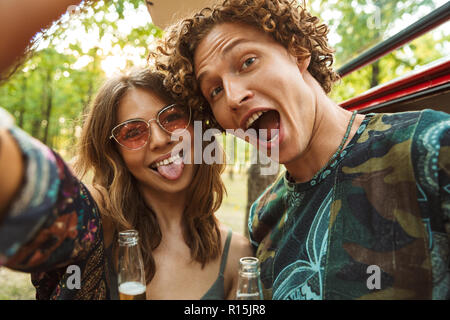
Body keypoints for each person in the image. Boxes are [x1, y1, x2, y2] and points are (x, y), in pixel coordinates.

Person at [154, 0, 450, 299]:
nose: (232, 97)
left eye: (247, 62)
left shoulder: (430, 145)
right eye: (215, 90)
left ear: (298, 51)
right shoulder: (264, 216)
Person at [0, 68, 253, 299]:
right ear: (114, 154)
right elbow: (33, 198)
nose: (159, 140)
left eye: (173, 117)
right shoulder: (98, 218)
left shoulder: (236, 255)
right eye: (132, 132)